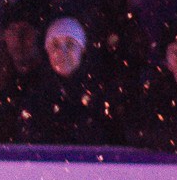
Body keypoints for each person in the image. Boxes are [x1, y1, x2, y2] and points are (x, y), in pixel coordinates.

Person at [13, 17, 117, 145]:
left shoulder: (101, 95)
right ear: (47, 51)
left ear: (82, 49)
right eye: (55, 45)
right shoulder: (34, 97)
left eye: (70, 44)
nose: (62, 52)